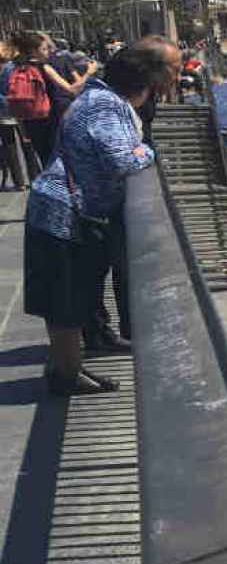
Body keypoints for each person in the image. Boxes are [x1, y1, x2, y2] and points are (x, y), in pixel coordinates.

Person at [22, 47, 161, 396]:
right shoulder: (105, 105)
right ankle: (67, 376)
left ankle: (67, 367)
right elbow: (121, 161)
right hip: (63, 214)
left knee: (67, 296)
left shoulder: (96, 97)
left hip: (61, 210)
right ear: (142, 84)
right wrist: (150, 151)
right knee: (65, 299)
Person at [7, 33, 81, 167]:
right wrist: (88, 73)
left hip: (30, 121)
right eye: (44, 49)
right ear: (34, 51)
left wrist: (22, 127)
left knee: (45, 160)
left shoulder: (17, 69)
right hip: (50, 118)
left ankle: (48, 185)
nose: (48, 52)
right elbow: (72, 89)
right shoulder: (45, 68)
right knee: (60, 161)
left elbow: (17, 100)